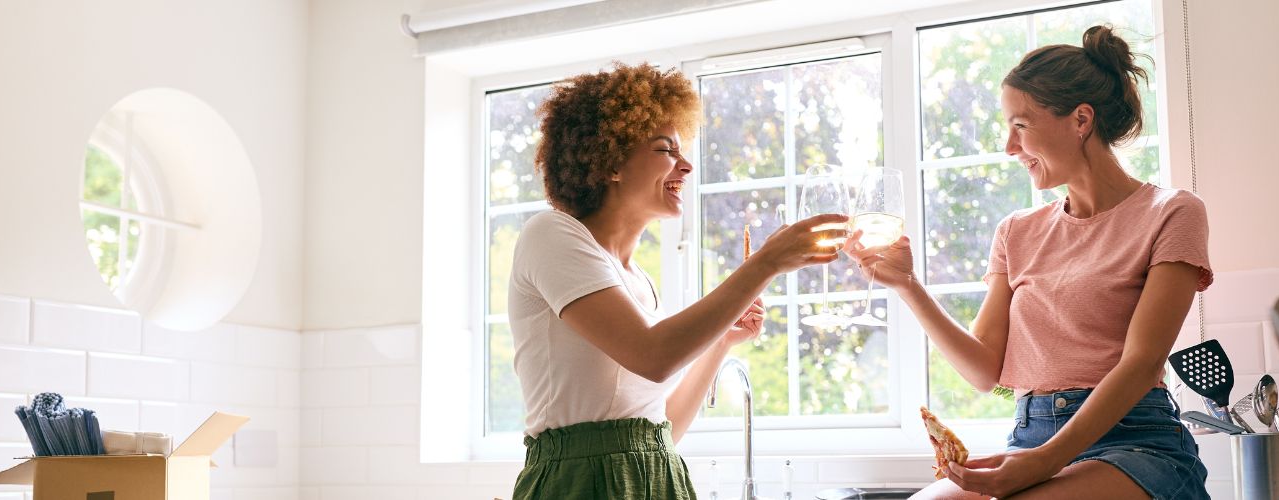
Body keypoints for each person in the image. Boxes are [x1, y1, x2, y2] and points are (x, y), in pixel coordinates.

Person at [845, 26, 1212, 500]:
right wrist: (907, 284)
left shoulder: (1171, 212)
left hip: (1136, 442)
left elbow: (1142, 364)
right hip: (1031, 438)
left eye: (1020, 126)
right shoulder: (1016, 231)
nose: (1009, 147)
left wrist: (1044, 461)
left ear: (1081, 120)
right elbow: (984, 371)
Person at [509, 62, 847, 500]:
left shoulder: (638, 281)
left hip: (660, 477)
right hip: (576, 484)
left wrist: (721, 343)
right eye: (666, 149)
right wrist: (764, 263)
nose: (686, 166)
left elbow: (661, 429)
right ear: (610, 161)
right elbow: (653, 355)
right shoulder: (550, 233)